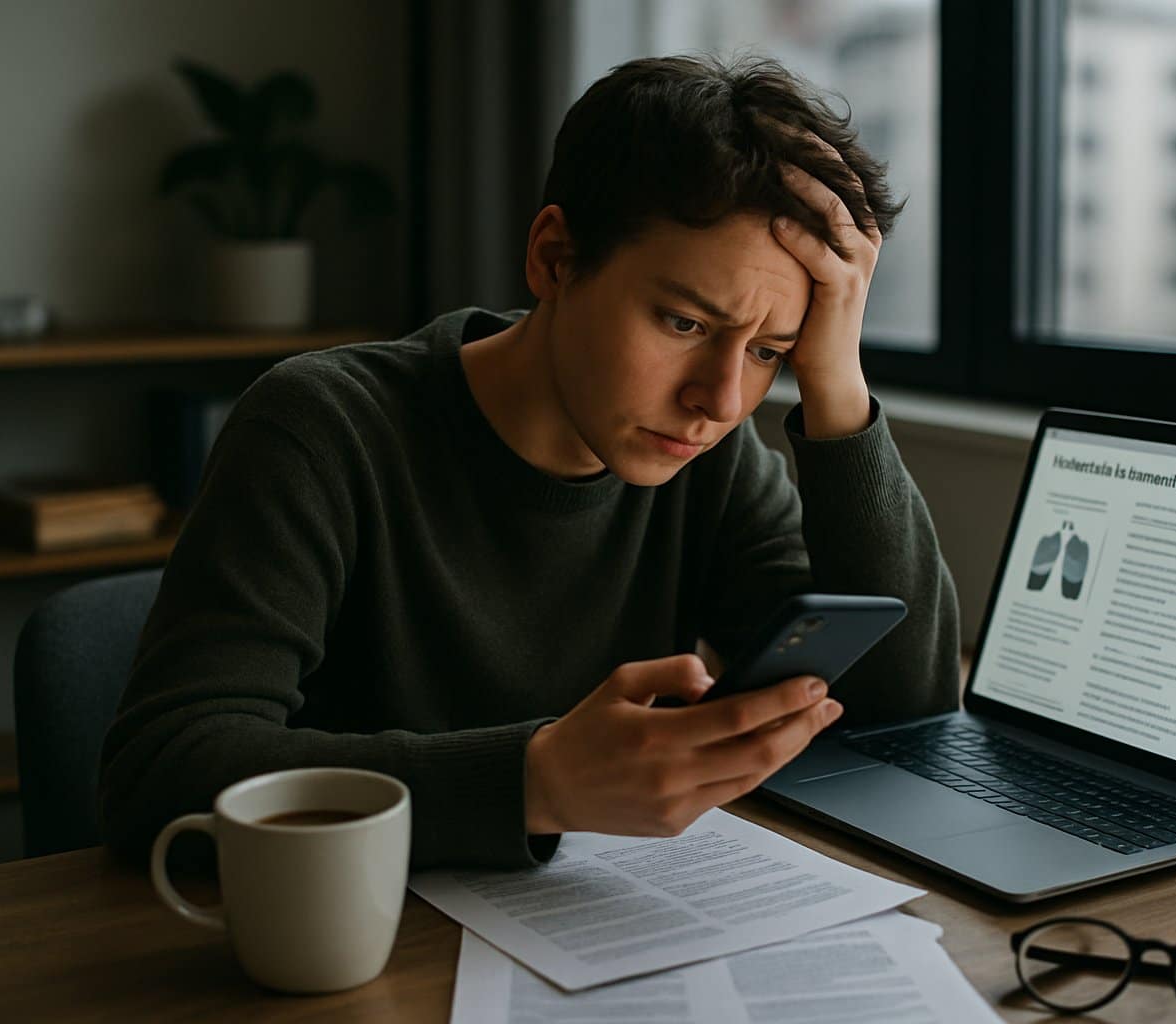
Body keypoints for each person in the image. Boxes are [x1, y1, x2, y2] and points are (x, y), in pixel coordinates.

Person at [99, 53, 961, 869]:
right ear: (555, 257)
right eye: (685, 324)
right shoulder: (323, 428)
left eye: (770, 350)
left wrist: (836, 387)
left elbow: (906, 713)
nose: (722, 399)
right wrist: (533, 782)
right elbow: (163, 772)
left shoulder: (713, 459)